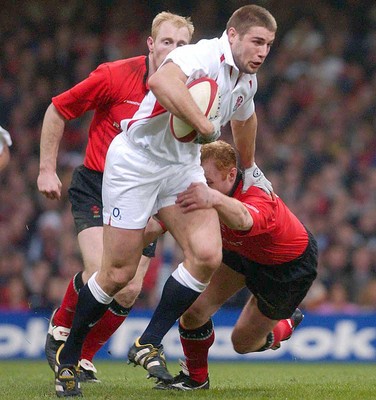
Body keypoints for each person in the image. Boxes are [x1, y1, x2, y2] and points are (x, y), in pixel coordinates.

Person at [54, 5, 276, 397]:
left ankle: (148, 341)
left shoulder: (246, 80)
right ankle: (68, 360)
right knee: (118, 274)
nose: (262, 52)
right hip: (136, 164)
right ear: (234, 35)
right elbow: (161, 83)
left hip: (182, 167)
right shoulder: (200, 54)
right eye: (257, 41)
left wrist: (252, 166)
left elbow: (245, 117)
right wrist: (206, 125)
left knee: (208, 254)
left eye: (269, 45)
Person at [37, 11, 194, 384]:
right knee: (102, 270)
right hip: (97, 183)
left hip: (147, 190)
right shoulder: (114, 75)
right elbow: (58, 109)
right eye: (167, 42)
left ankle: (84, 357)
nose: (174, 51)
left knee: (129, 290)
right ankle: (60, 329)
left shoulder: (193, 86)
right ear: (151, 44)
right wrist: (46, 168)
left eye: (183, 44)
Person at [156, 140, 318, 390]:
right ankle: (196, 380)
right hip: (240, 252)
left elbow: (243, 219)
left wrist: (212, 198)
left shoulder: (257, 194)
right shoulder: (204, 190)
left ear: (231, 175)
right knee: (193, 312)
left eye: (208, 182)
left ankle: (286, 322)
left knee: (242, 344)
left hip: (286, 267)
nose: (200, 186)